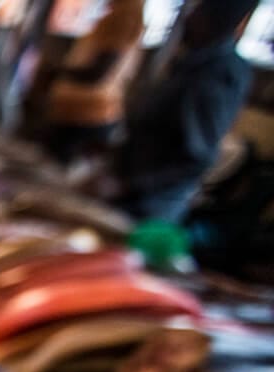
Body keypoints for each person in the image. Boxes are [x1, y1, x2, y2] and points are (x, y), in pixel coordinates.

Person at [111, 0, 259, 224]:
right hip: (129, 194)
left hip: (147, 207)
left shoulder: (218, 74)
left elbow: (196, 157)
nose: (186, 19)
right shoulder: (193, 62)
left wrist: (129, 184)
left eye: (195, 12)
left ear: (215, 20)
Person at [43, 0, 144, 166]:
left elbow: (99, 71)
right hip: (79, 112)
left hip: (87, 114)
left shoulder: (125, 18)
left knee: (53, 175)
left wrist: (57, 71)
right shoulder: (117, 16)